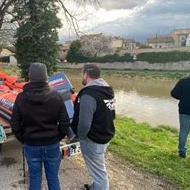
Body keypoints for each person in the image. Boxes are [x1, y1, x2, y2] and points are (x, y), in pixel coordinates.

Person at [10, 62, 70, 190]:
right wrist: (57, 137)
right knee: (53, 178)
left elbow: (14, 123)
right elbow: (65, 122)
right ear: (46, 77)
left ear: (30, 77)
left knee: (35, 179)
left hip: (31, 144)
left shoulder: (21, 97)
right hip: (52, 144)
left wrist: (24, 138)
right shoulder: (56, 96)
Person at [71, 64, 115, 190]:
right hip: (105, 134)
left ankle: (99, 186)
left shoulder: (89, 94)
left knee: (99, 172)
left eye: (82, 74)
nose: (82, 77)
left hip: (93, 139)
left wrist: (80, 136)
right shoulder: (106, 90)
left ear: (86, 74)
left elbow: (84, 123)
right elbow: (109, 114)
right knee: (98, 166)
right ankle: (95, 186)